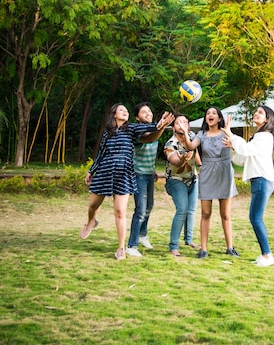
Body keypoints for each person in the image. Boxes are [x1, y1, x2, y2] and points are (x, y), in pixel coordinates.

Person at [79, 103, 174, 261]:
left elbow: (148, 130)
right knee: (93, 206)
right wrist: (91, 170)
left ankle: (121, 248)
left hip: (124, 174)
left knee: (120, 212)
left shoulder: (131, 129)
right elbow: (101, 154)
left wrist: (160, 125)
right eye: (121, 110)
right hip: (104, 172)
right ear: (114, 114)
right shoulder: (107, 133)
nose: (125, 112)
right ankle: (90, 221)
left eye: (126, 111)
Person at [178, 106, 239, 259]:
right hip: (207, 172)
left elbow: (237, 147)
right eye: (208, 114)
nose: (210, 115)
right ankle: (203, 249)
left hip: (224, 172)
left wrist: (230, 133)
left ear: (219, 118)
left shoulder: (226, 132)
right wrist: (185, 132)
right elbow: (190, 146)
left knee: (225, 214)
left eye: (214, 113)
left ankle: (230, 247)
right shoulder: (201, 135)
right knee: (206, 213)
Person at [222, 106, 274, 267]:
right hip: (260, 181)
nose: (256, 114)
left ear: (267, 119)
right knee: (255, 218)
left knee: (255, 218)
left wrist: (231, 135)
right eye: (256, 111)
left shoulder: (265, 136)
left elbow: (245, 149)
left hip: (262, 180)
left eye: (260, 112)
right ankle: (265, 255)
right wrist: (232, 147)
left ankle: (267, 255)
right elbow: (242, 159)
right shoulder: (258, 137)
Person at [126, 102, 164, 257]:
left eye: (149, 111)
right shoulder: (136, 131)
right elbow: (149, 139)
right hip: (138, 174)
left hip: (148, 174)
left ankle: (142, 235)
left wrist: (153, 170)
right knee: (140, 210)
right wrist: (161, 127)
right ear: (137, 117)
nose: (148, 113)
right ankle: (131, 245)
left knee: (149, 206)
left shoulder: (153, 128)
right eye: (143, 112)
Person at [164, 114, 201, 256]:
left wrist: (200, 166)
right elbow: (174, 161)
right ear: (173, 127)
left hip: (192, 178)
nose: (182, 124)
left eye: (185, 122)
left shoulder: (192, 136)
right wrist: (182, 160)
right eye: (179, 123)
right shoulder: (170, 144)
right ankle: (173, 246)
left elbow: (195, 152)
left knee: (191, 210)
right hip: (175, 179)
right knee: (182, 209)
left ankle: (189, 239)